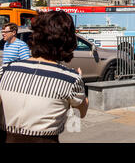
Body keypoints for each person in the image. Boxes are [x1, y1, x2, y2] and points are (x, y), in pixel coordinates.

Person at [0, 10, 88, 143]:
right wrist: (79, 81)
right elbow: (82, 112)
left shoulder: (5, 70)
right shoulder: (70, 79)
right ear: (68, 42)